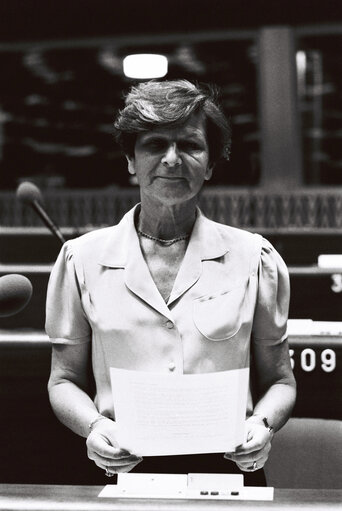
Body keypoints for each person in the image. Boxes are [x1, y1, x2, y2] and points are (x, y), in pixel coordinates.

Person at [46, 79, 296, 486]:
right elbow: (63, 381)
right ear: (131, 160)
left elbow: (281, 381)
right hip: (120, 471)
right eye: (154, 144)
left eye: (191, 145)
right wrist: (93, 426)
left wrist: (263, 424)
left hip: (229, 473)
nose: (173, 159)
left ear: (211, 163)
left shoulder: (255, 258)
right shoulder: (81, 259)